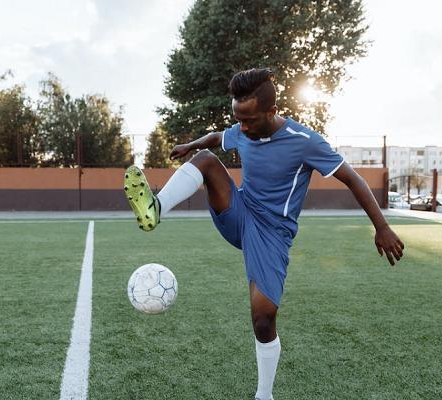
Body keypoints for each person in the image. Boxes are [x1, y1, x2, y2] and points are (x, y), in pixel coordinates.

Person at [124, 68, 404, 400]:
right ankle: (155, 210)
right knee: (206, 160)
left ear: (271, 112)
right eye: (237, 119)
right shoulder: (244, 128)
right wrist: (192, 144)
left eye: (249, 120)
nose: (242, 128)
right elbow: (218, 138)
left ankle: (263, 395)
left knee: (263, 318)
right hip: (239, 212)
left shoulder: (305, 142)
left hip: (272, 235)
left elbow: (353, 178)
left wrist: (382, 226)